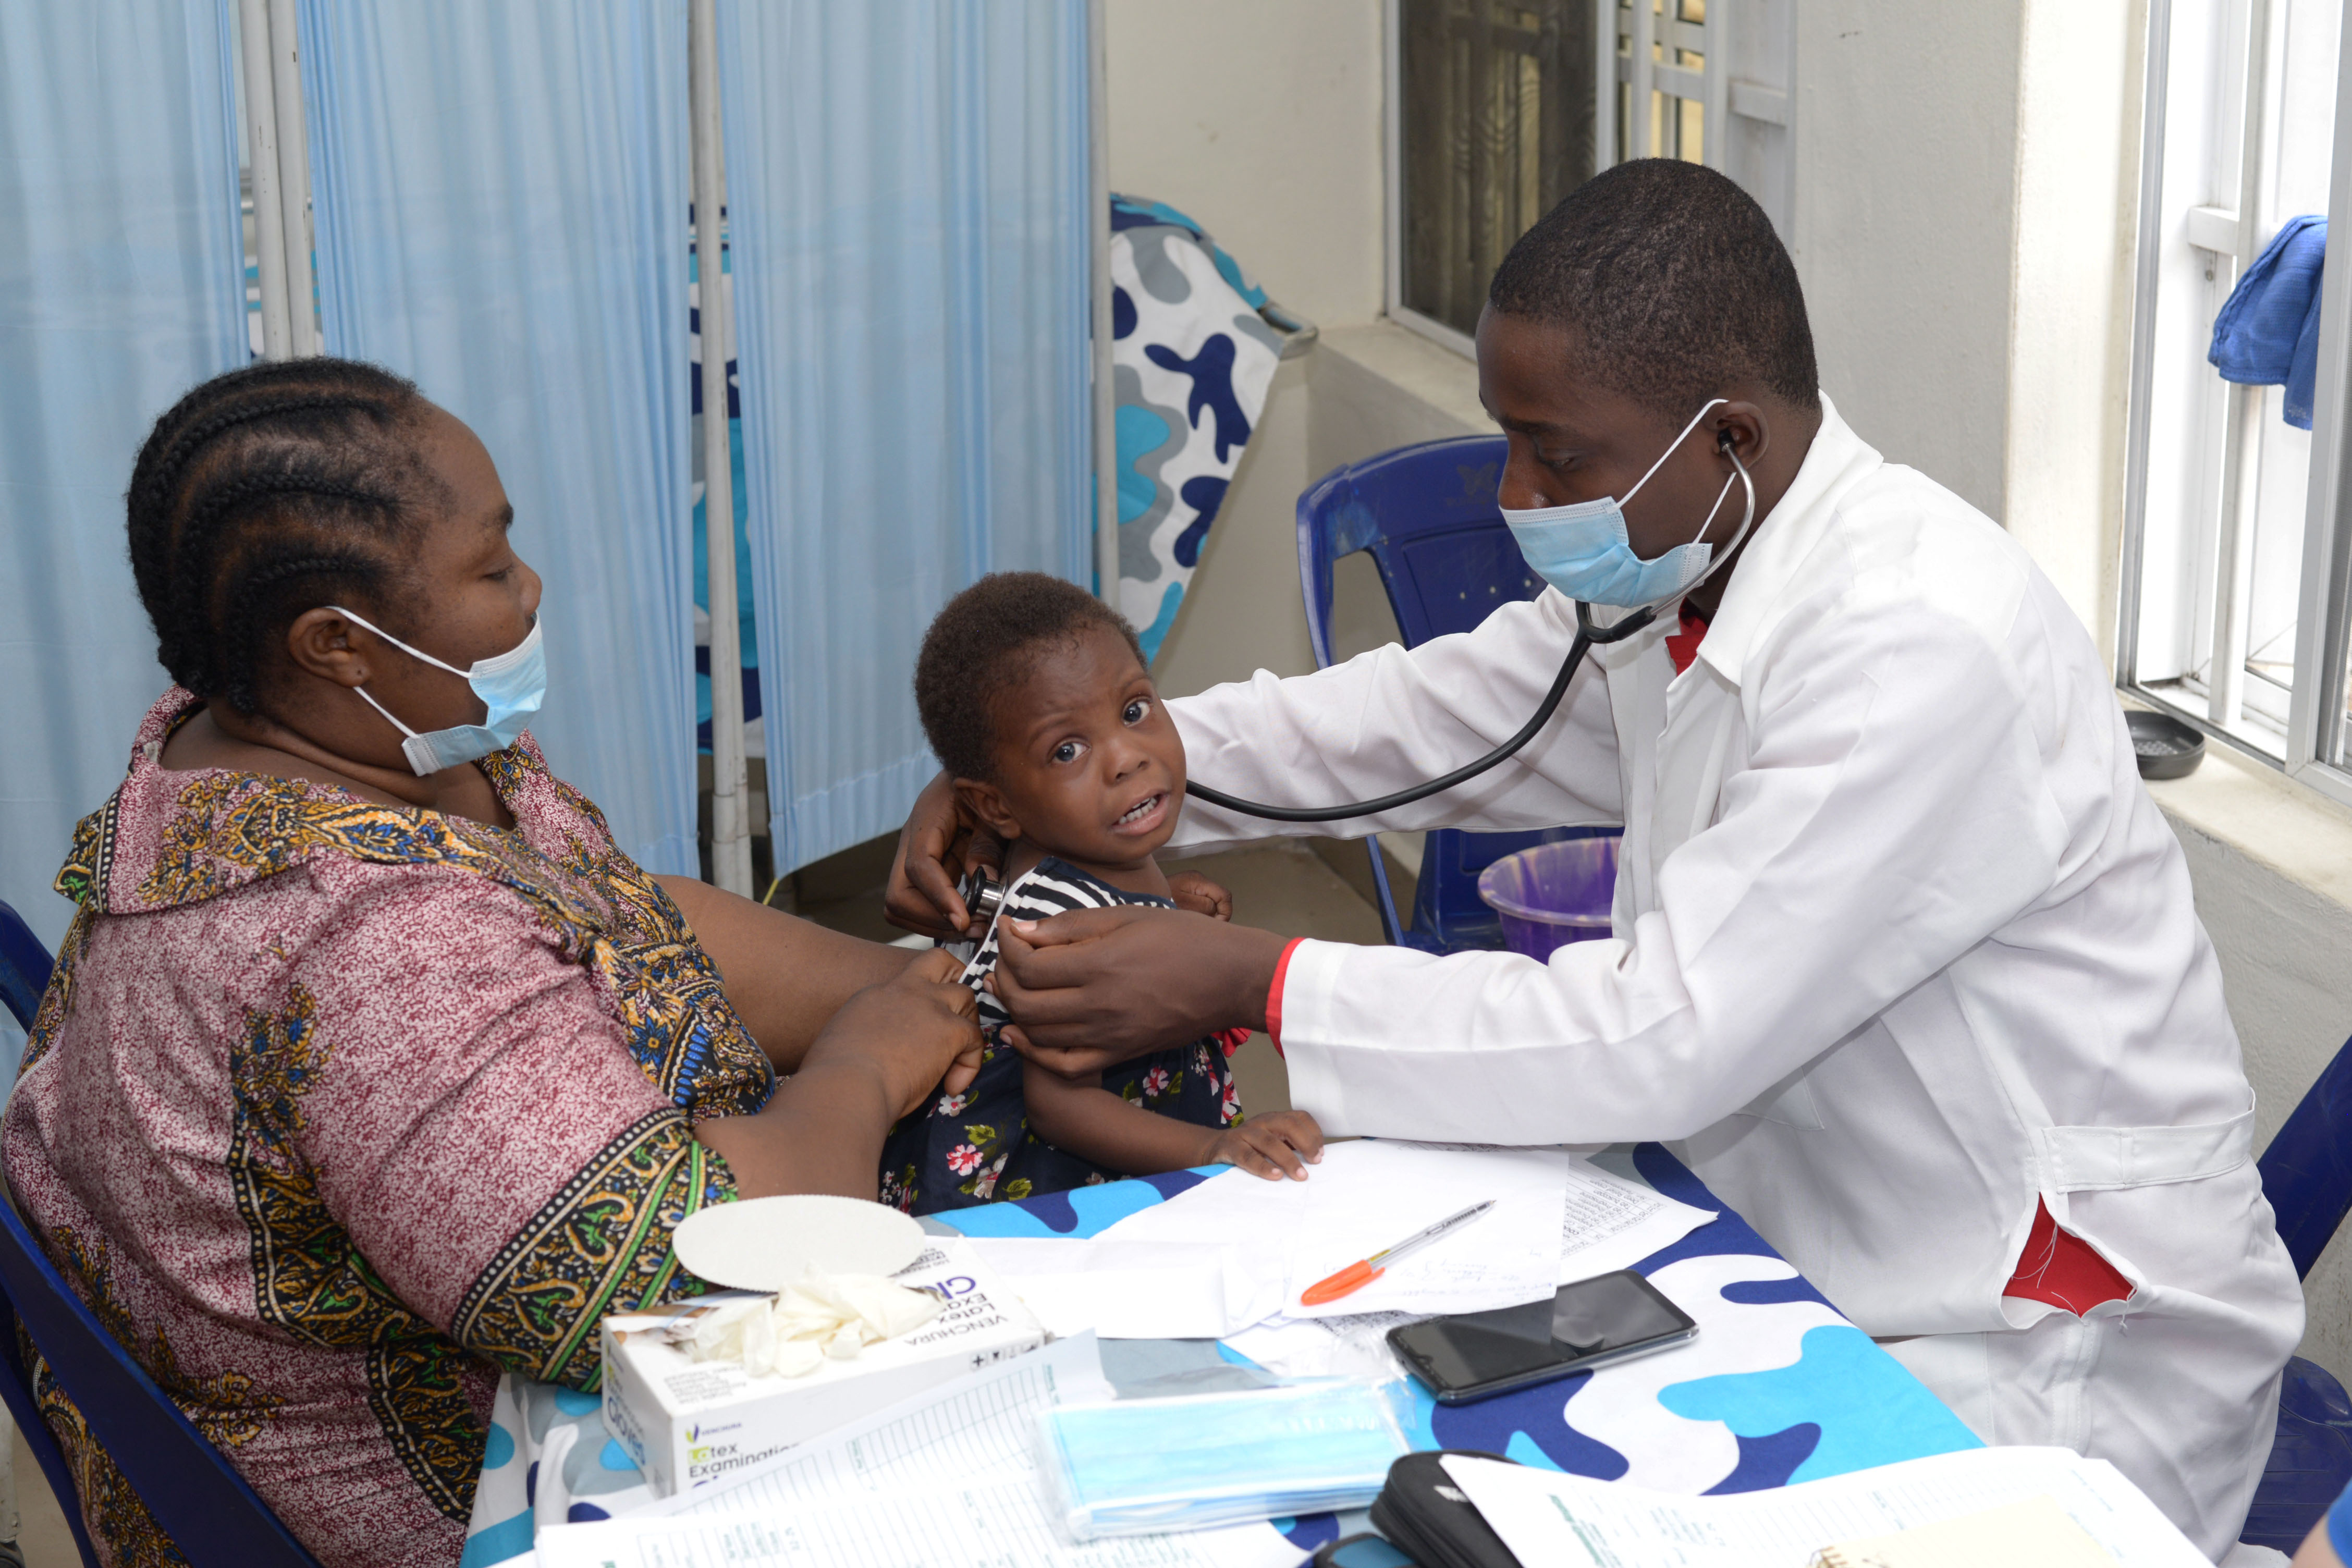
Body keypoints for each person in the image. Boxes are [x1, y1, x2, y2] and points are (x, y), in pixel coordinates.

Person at [891, 159, 2303, 1558]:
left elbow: (1662, 1030)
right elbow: (1428, 716)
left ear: (1728, 440)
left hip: (2045, 1330)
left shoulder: (1915, 649)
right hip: (1817, 1243)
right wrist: (1084, 773)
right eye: (1508, 435)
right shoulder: (1692, 568)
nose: (1515, 491)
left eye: (1557, 452)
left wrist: (1259, 980)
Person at [3, 358, 983, 1568]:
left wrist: (922, 979)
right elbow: (696, 1283)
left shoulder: (319, 739)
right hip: (463, 1504)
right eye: (486, 568)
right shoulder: (374, 952)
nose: (528, 590)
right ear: (334, 643)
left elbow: (616, 912)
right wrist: (867, 1063)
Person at [880, 571, 1325, 1212]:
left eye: (1135, 710)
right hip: (1054, 1185)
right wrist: (1214, 1149)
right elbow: (1063, 1108)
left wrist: (1163, 904)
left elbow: (1112, 916)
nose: (1125, 757)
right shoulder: (1055, 918)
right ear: (994, 806)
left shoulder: (1087, 853)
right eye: (1067, 750)